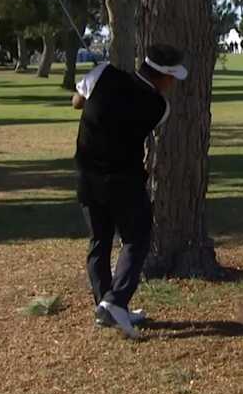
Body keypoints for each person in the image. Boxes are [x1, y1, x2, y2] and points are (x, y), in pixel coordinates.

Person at [71, 44, 188, 339]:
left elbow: (76, 102)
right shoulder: (160, 107)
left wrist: (96, 83)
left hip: (87, 176)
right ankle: (114, 302)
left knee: (99, 241)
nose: (173, 84)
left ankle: (105, 306)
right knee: (137, 238)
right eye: (172, 78)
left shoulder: (104, 73)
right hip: (124, 182)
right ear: (163, 76)